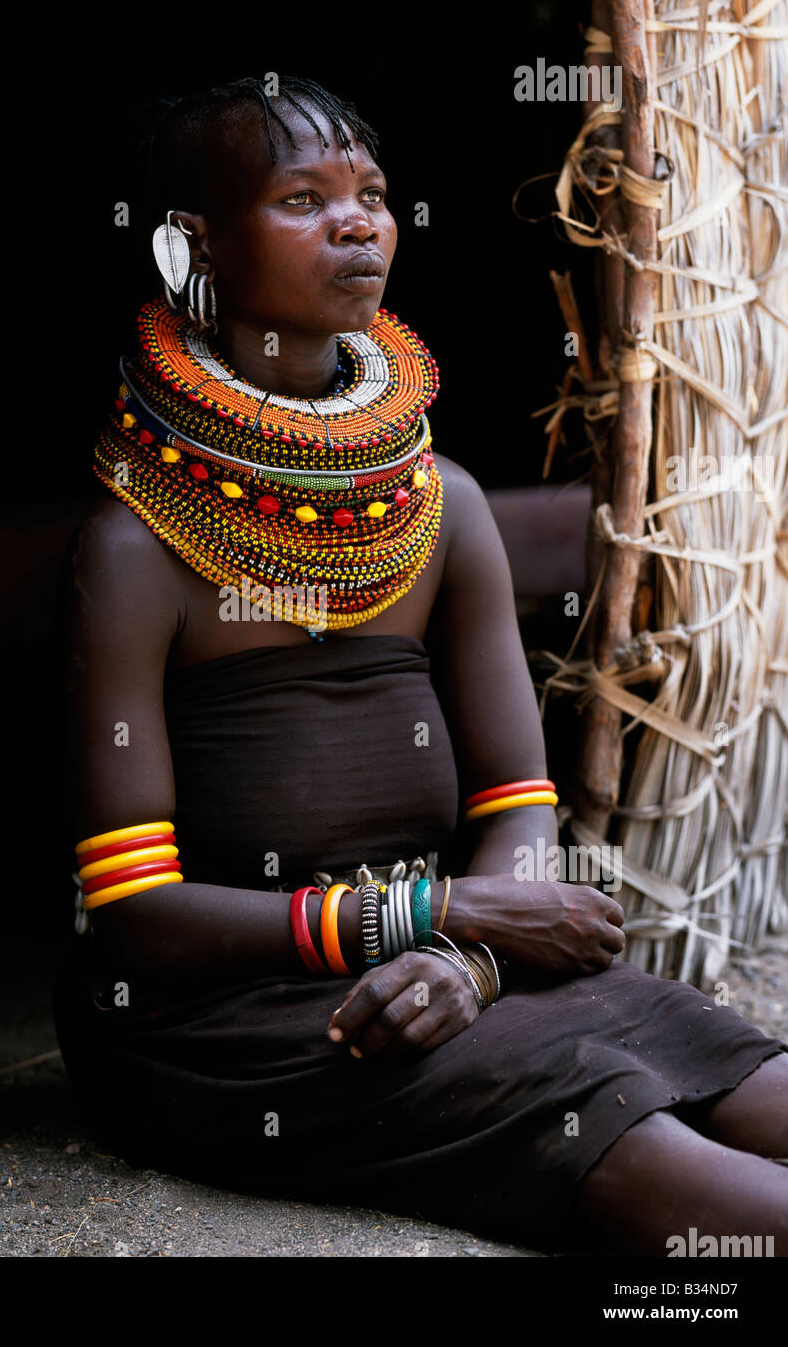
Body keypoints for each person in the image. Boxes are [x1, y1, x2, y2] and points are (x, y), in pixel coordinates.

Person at [54, 75, 788, 1255]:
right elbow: (137, 917)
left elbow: (516, 800)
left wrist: (471, 958)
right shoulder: (134, 550)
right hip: (224, 1022)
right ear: (192, 247)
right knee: (637, 1145)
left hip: (455, 968)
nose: (360, 223)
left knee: (738, 1071)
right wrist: (426, 917)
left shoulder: (440, 508)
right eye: (306, 197)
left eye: (374, 196)